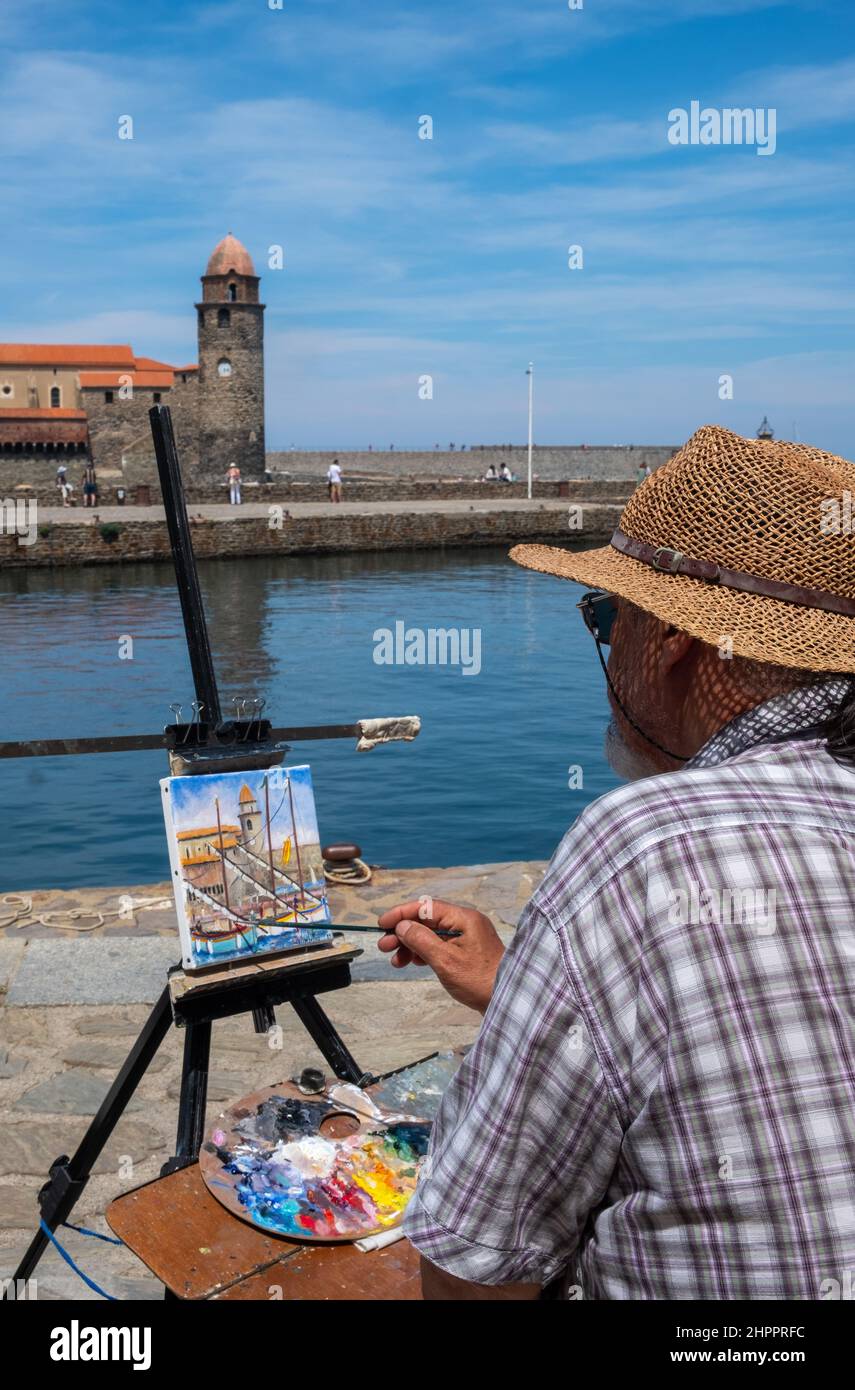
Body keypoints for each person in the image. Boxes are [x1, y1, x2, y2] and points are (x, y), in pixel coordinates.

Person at [378, 424, 855, 1301]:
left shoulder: (644, 844)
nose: (603, 648)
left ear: (674, 637)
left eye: (606, 617)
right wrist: (524, 986)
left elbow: (473, 1272)